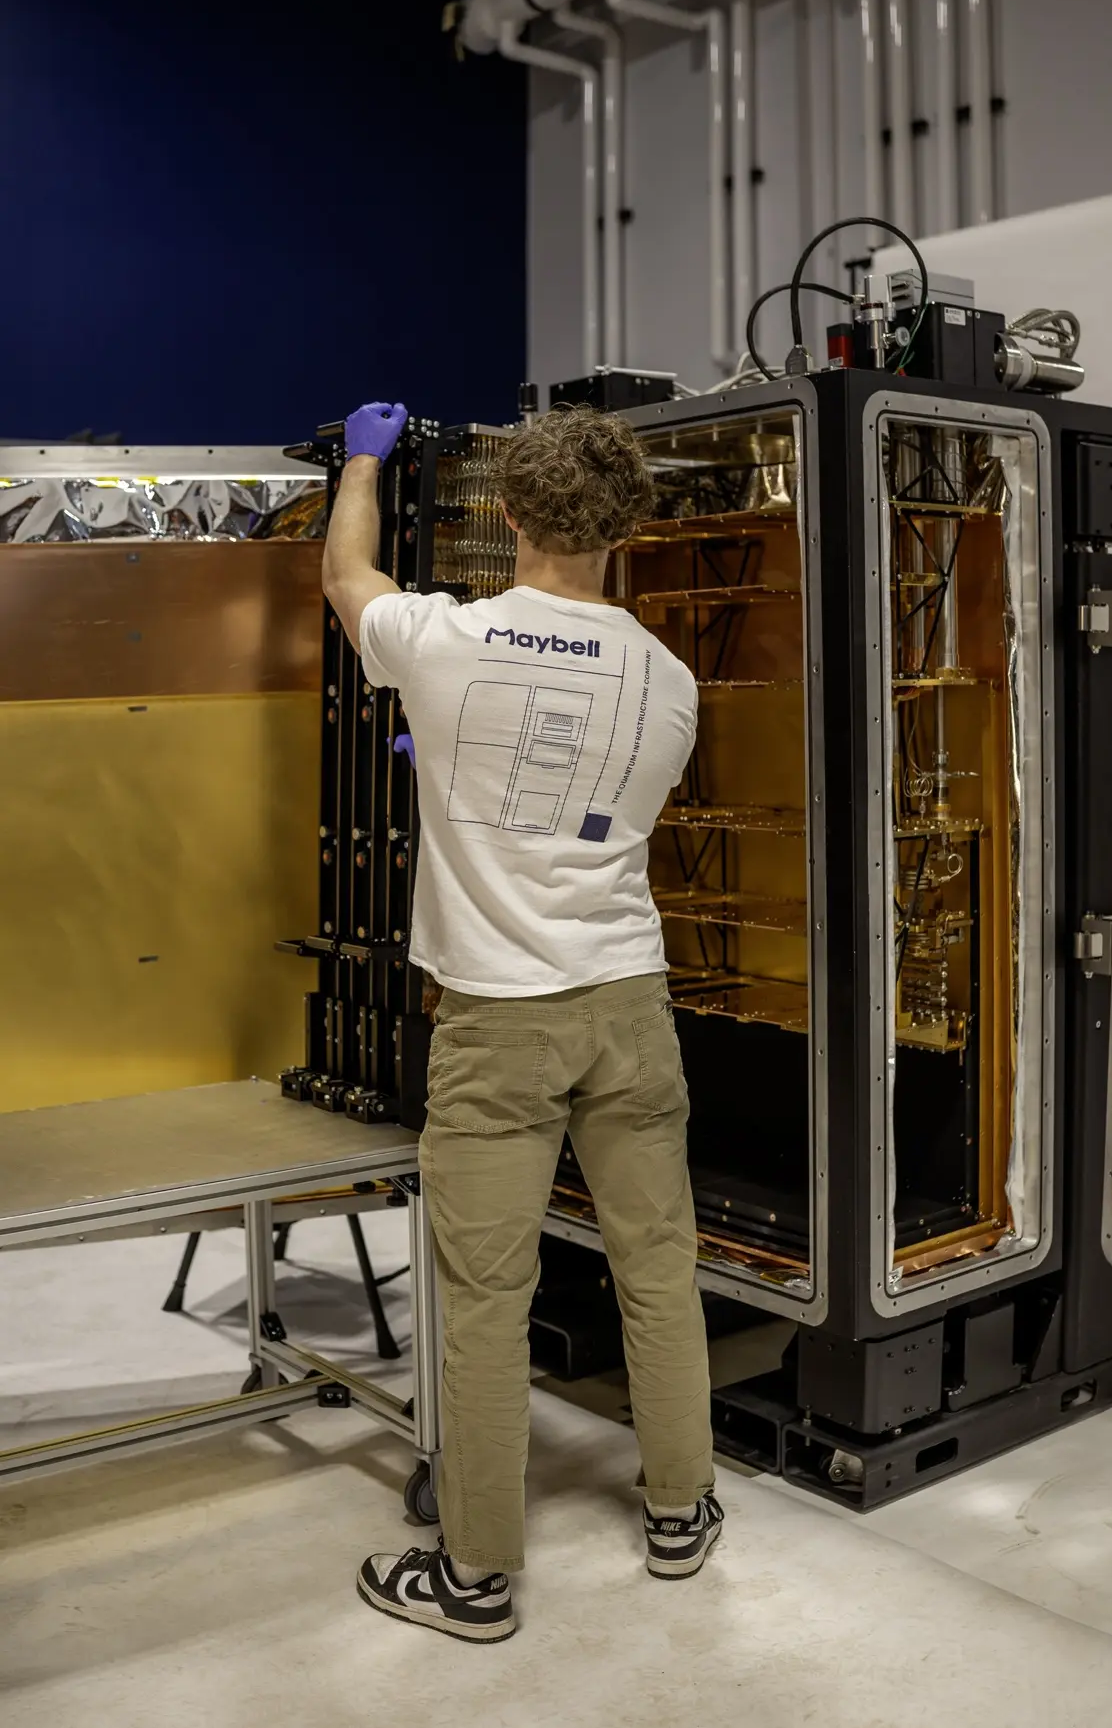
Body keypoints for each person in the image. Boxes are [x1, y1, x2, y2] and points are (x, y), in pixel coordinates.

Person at [319, 399, 722, 1645]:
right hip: (627, 1004)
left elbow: (344, 575)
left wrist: (362, 461)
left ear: (504, 517)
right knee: (656, 1264)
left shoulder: (444, 640)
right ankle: (680, 1510)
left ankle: (475, 1579)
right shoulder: (670, 680)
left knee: (486, 1296)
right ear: (627, 529)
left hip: (498, 1017)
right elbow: (598, 812)